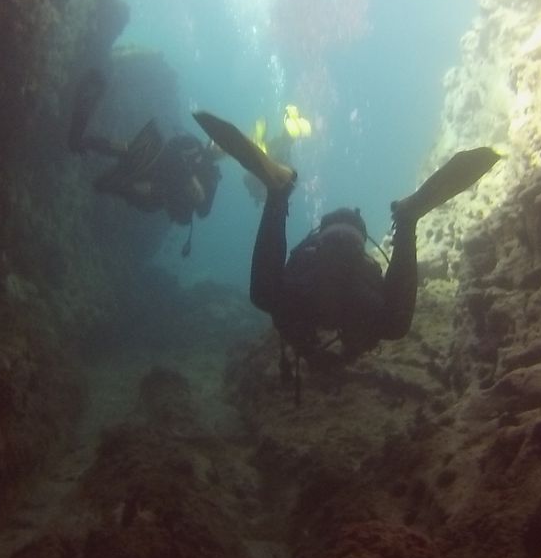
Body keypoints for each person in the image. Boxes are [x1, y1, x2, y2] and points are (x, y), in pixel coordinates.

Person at [193, 110, 500, 378]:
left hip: (320, 275)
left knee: (391, 325)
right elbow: (338, 320)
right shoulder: (336, 301)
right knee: (267, 296)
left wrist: (314, 351)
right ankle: (403, 220)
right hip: (348, 275)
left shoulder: (307, 298)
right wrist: (340, 352)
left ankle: (281, 192)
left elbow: (289, 316)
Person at [69, 69, 220, 251]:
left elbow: (203, 212)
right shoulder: (192, 143)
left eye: (223, 149)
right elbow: (171, 147)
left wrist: (201, 197)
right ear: (209, 140)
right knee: (128, 149)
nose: (216, 148)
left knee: (118, 184)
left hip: (158, 192)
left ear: (224, 157)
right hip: (154, 161)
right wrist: (190, 178)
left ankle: (93, 179)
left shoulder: (212, 177)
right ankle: (83, 142)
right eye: (216, 142)